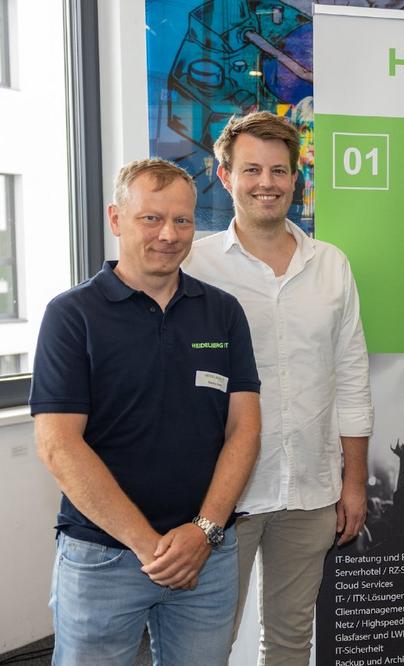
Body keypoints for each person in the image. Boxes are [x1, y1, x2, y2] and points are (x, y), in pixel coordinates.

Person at [30, 158, 262, 665]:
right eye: (151, 218)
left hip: (206, 556)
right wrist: (149, 547)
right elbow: (58, 446)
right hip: (103, 556)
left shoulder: (222, 312)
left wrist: (203, 532)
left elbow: (244, 429)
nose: (169, 234)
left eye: (182, 220)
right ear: (116, 219)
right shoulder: (72, 316)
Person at [184, 111, 373, 664]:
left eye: (278, 171)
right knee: (206, 644)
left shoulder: (331, 265)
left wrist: (354, 482)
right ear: (225, 176)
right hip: (222, 496)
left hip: (311, 488)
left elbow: (352, 377)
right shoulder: (194, 266)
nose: (265, 183)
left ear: (296, 178)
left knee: (291, 641)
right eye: (251, 170)